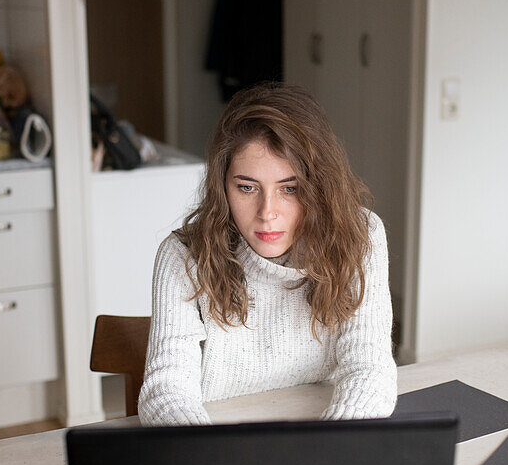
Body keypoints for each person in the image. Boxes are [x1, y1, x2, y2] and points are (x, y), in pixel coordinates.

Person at [138, 83, 397, 426]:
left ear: (319, 185)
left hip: (322, 437)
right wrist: (207, 457)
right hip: (218, 446)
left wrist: (332, 450)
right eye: (247, 187)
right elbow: (166, 390)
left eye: (289, 189)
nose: (267, 212)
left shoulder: (360, 236)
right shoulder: (184, 256)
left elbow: (369, 366)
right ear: (222, 185)